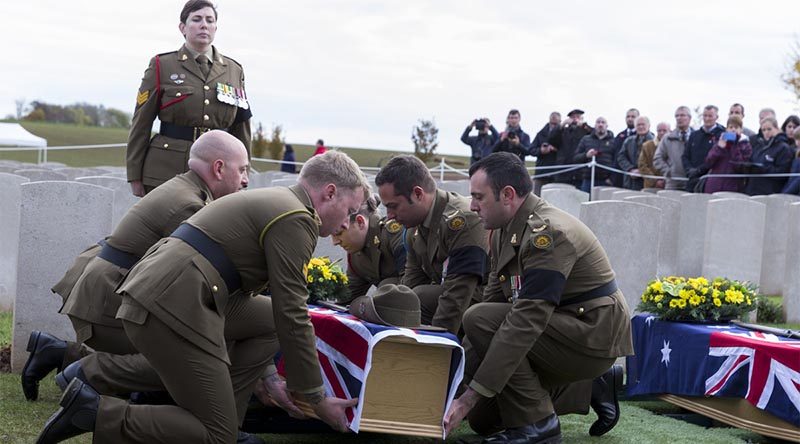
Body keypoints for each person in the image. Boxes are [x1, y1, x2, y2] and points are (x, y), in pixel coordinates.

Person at [36, 150, 370, 443]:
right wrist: (314, 398)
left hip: (171, 294)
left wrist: (272, 377)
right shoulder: (296, 218)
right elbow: (292, 311)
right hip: (174, 303)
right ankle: (94, 413)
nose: (348, 222)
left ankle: (229, 419)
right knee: (215, 434)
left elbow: (273, 312)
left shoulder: (280, 201)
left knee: (265, 322)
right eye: (351, 209)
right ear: (329, 193)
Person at [21, 130, 249, 403]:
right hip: (106, 303)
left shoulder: (186, 188)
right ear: (219, 168)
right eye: (243, 170)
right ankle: (88, 372)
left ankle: (60, 353)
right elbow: (199, 282)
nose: (246, 180)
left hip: (107, 290)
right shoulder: (190, 206)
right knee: (197, 359)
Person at [444, 152, 633, 443]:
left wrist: (469, 397)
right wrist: (454, 387)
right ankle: (587, 387)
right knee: (484, 420)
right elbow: (493, 304)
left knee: (480, 319)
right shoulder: (500, 231)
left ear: (507, 195)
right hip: (558, 330)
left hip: (593, 334)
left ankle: (538, 425)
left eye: (479, 197)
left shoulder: (548, 235)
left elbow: (525, 319)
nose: (472, 206)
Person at [126, 0, 252, 197]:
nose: (204, 25)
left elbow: (241, 127)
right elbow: (141, 123)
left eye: (210, 20)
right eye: (197, 19)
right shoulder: (162, 65)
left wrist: (244, 174)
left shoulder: (234, 71)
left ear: (215, 28)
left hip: (217, 174)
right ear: (182, 27)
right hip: (168, 168)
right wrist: (135, 175)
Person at [375, 155, 489, 334]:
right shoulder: (414, 228)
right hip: (455, 298)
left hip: (482, 303)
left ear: (418, 194)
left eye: (394, 206)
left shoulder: (461, 221)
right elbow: (409, 286)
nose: (389, 215)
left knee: (422, 297)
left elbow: (458, 294)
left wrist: (434, 345)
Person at [331, 195, 406, 299]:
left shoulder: (393, 235)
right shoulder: (356, 252)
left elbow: (412, 282)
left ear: (360, 222)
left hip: (422, 306)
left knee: (387, 286)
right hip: (394, 307)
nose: (334, 242)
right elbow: (348, 297)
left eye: (338, 233)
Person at [744, 117, 793, 196]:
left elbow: (782, 173)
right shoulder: (758, 146)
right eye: (764, 130)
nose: (766, 132)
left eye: (769, 129)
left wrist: (763, 168)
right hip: (752, 190)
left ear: (777, 129)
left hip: (770, 193)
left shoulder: (784, 148)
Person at [703, 115, 752, 193]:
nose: (733, 130)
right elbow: (708, 162)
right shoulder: (718, 142)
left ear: (741, 130)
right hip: (714, 186)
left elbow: (741, 167)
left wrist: (734, 146)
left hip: (733, 187)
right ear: (726, 129)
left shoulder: (745, 146)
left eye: (736, 127)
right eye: (730, 127)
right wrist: (719, 148)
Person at [683, 105, 724, 192]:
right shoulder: (694, 135)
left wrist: (700, 170)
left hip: (711, 181)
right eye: (705, 116)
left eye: (710, 116)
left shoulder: (722, 135)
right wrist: (689, 169)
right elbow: (685, 155)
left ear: (716, 117)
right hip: (693, 180)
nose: (707, 119)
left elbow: (718, 158)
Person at [548, 109, 592, 186]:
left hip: (580, 172)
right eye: (573, 117)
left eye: (578, 117)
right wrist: (561, 125)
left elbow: (594, 134)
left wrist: (584, 126)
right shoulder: (563, 131)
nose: (575, 119)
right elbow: (551, 139)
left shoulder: (586, 131)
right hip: (563, 170)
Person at [654, 106, 693, 190]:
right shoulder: (667, 138)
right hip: (673, 183)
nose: (679, 118)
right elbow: (657, 158)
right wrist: (668, 171)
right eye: (677, 116)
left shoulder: (697, 136)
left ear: (689, 118)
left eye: (682, 115)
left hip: (693, 181)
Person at [572, 116, 615, 192]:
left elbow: (616, 161)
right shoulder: (585, 139)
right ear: (595, 125)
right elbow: (575, 158)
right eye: (598, 122)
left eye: (603, 122)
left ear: (607, 126)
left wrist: (611, 178)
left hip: (606, 181)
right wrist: (586, 155)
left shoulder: (614, 141)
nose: (600, 125)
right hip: (588, 180)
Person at [617, 116, 654, 190]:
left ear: (649, 125)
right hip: (630, 181)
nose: (640, 127)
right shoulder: (628, 141)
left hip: (648, 182)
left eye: (643, 124)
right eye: (638, 125)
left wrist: (642, 171)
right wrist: (630, 169)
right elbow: (621, 157)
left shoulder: (654, 142)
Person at [530, 112, 561, 196]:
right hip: (541, 172)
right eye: (552, 119)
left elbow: (567, 151)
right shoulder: (541, 134)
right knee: (537, 199)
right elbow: (531, 149)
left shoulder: (564, 134)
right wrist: (541, 150)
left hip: (557, 173)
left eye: (556, 121)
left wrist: (556, 150)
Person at [610, 108, 640, 187]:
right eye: (628, 117)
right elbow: (614, 155)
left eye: (633, 117)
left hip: (635, 176)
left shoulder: (643, 135)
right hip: (618, 176)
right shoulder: (620, 136)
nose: (630, 119)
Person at [638, 121, 670, 189]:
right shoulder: (647, 146)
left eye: (664, 131)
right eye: (659, 131)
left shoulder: (674, 145)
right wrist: (655, 181)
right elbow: (642, 165)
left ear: (670, 131)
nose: (662, 133)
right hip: (651, 186)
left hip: (670, 185)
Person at [781, 130, 800, 195]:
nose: (798, 142)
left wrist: (787, 193)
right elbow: (791, 178)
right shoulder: (796, 155)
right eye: (796, 139)